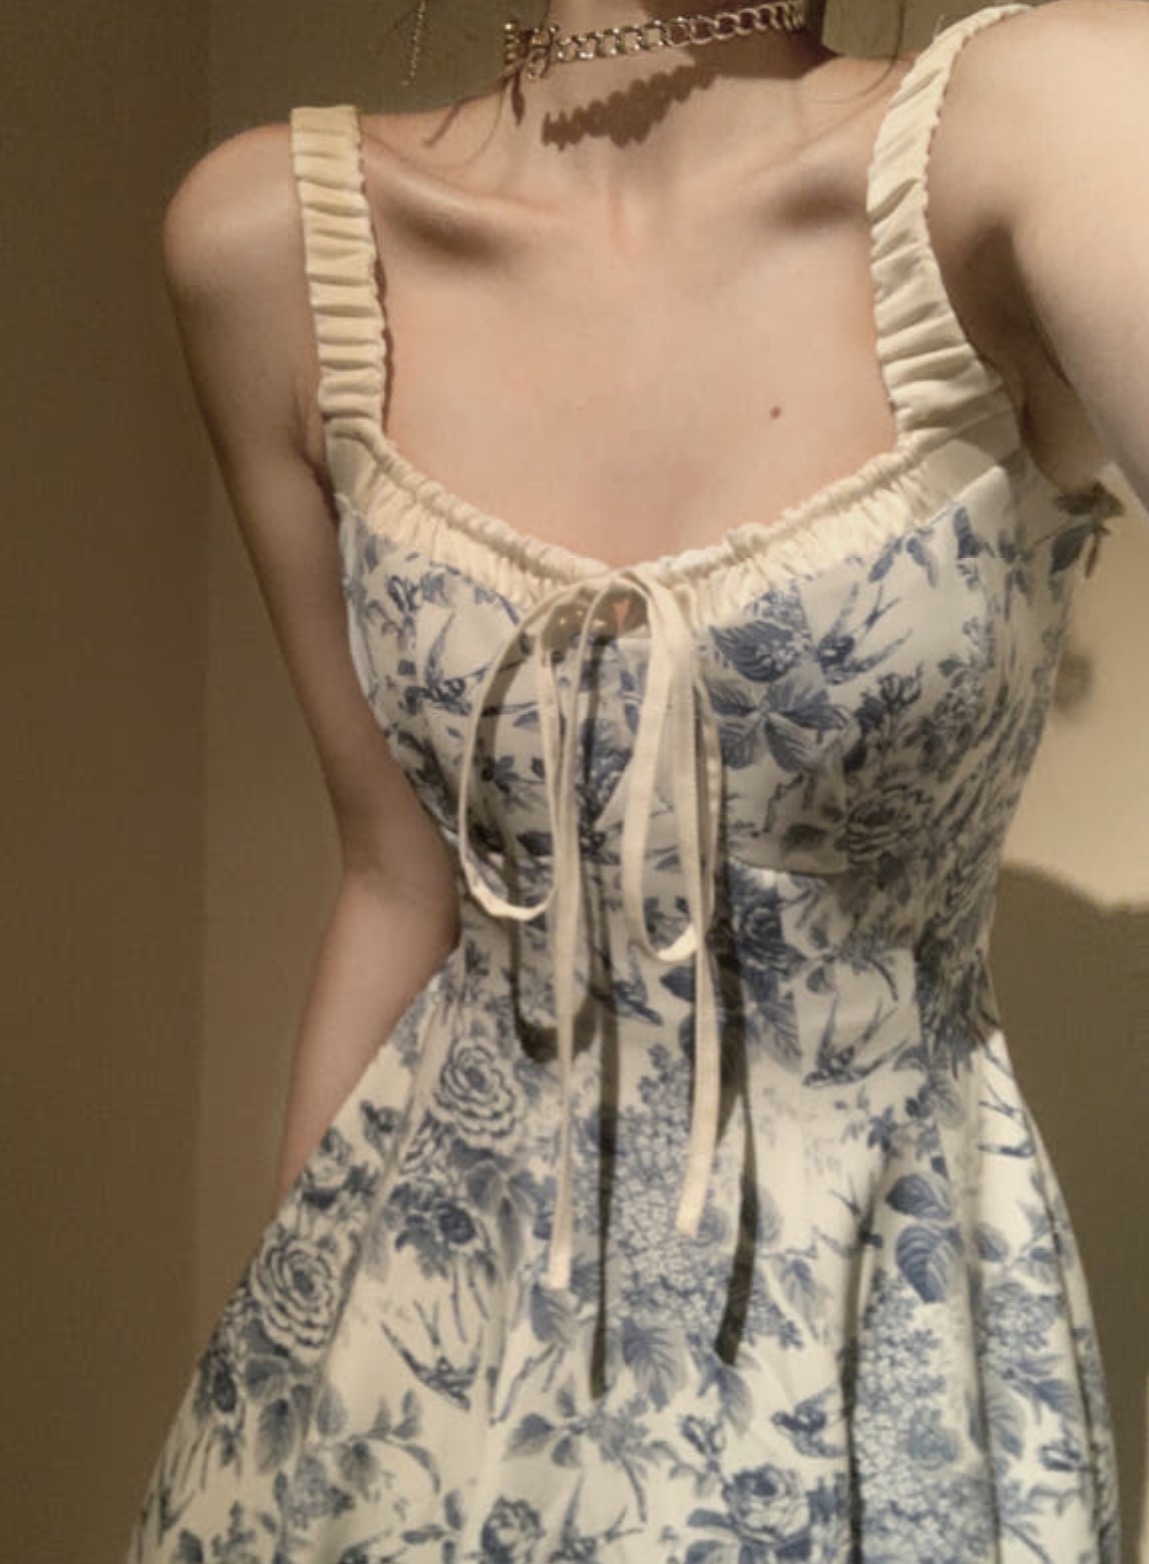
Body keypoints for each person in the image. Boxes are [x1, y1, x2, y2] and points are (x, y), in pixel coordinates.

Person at [126, 0, 1141, 1557]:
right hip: (420, 1360)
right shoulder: (269, 242)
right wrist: (293, 1412)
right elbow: (397, 878)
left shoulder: (1035, 126)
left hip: (869, 1349)